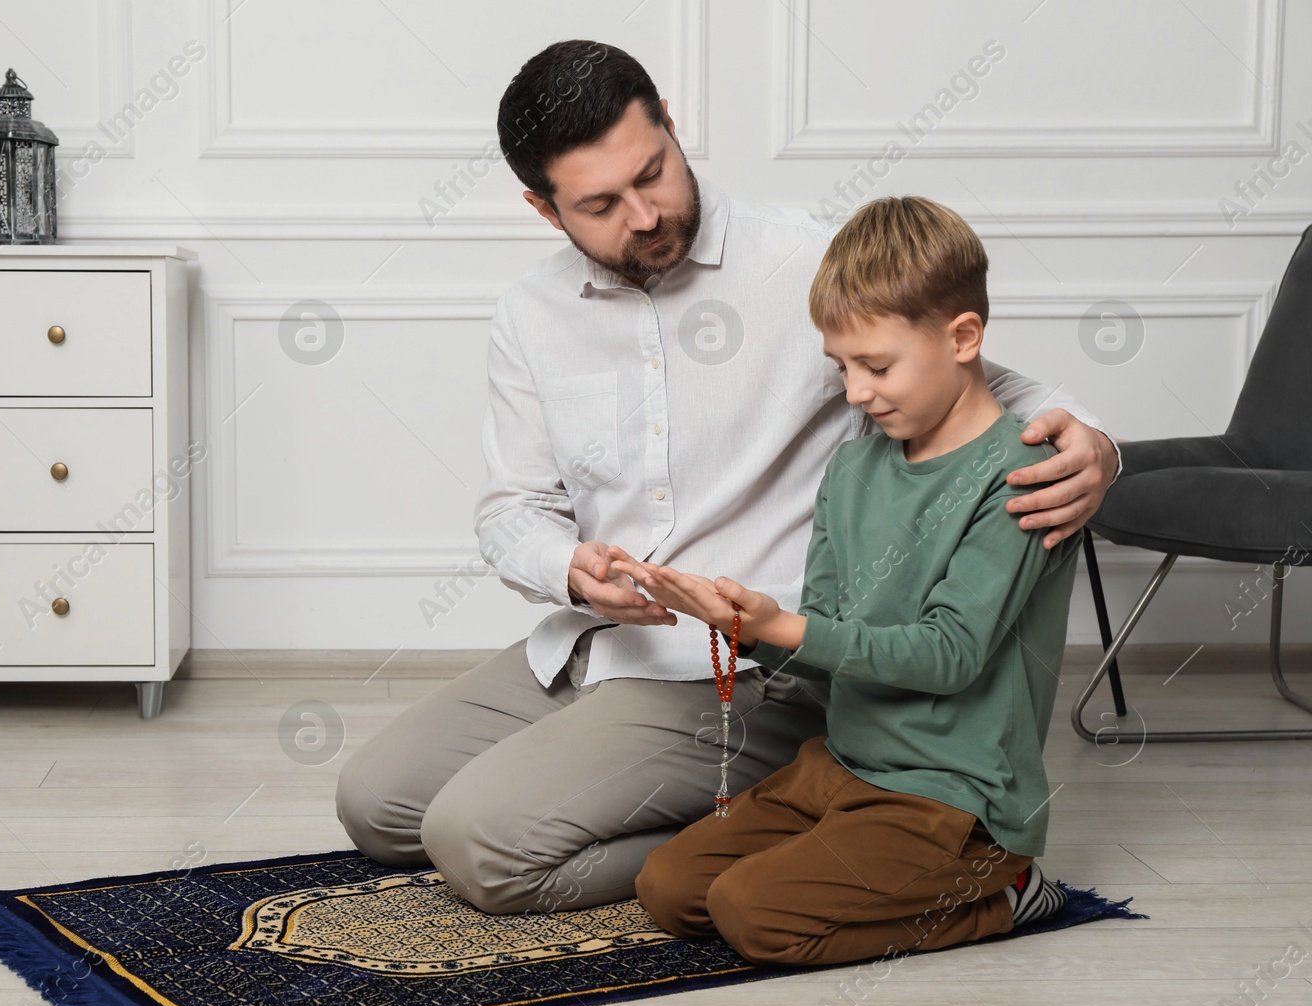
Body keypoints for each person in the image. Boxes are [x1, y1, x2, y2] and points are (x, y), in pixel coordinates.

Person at [334, 39, 1118, 916]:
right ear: (543, 209)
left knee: (480, 848)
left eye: (654, 172)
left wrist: (1096, 443)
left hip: (748, 671)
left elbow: (968, 375)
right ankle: (671, 797)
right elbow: (512, 508)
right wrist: (567, 569)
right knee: (376, 804)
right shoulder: (530, 313)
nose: (642, 214)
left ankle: (767, 827)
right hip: (593, 642)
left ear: (670, 123)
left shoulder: (803, 262)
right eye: (599, 203)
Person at [622, 195, 1080, 966]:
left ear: (963, 337)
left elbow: (949, 655)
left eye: (876, 365)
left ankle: (1005, 893)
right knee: (669, 886)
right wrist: (736, 623)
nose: (856, 392)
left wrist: (778, 625)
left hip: (952, 795)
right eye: (841, 367)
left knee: (751, 914)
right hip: (841, 763)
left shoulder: (1018, 478)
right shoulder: (852, 467)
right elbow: (829, 638)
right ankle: (859, 855)